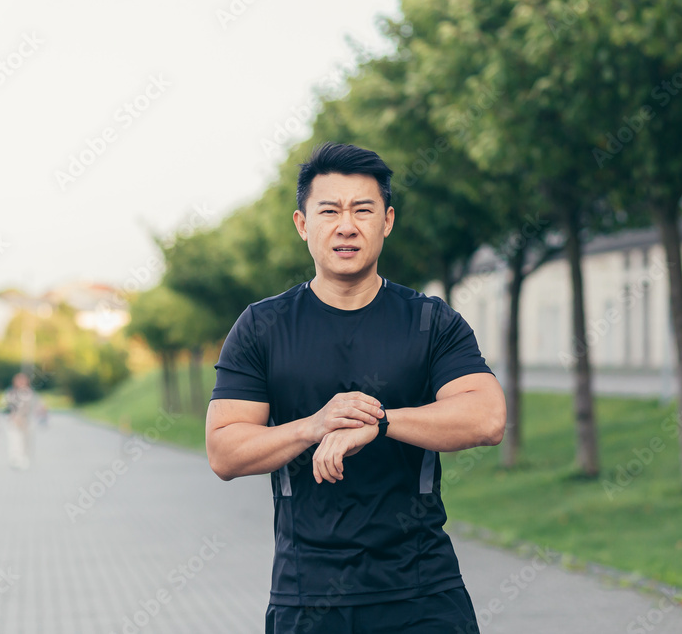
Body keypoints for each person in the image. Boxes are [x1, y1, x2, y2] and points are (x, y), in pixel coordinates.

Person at [206, 142, 506, 634]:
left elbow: (487, 417)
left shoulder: (430, 321)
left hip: (423, 591)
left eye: (362, 210)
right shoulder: (263, 326)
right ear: (303, 224)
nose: (347, 225)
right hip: (307, 596)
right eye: (330, 211)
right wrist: (314, 426)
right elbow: (225, 452)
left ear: (386, 221)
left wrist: (381, 422)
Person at [4, 372, 42, 470]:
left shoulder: (29, 393)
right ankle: (15, 459)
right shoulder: (11, 392)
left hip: (26, 421)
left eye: (23, 380)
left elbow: (34, 406)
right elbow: (8, 406)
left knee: (26, 441)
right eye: (18, 380)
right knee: (14, 440)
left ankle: (24, 460)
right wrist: (13, 416)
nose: (21, 383)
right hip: (13, 421)